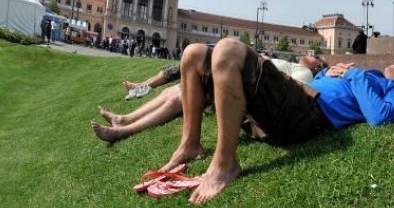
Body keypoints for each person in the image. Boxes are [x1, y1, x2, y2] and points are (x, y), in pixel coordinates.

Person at [157, 39, 394, 203]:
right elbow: (323, 86)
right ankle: (190, 144)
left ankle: (225, 164)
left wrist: (352, 75)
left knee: (228, 48)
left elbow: (379, 117)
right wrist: (327, 74)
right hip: (296, 99)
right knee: (192, 53)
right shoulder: (375, 77)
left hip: (308, 113)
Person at [91, 54, 327, 143]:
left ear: (317, 66)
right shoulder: (294, 63)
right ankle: (125, 119)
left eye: (315, 56)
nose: (309, 54)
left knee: (180, 97)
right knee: (174, 90)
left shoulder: (303, 72)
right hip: (239, 76)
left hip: (244, 86)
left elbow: (278, 88)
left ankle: (124, 131)